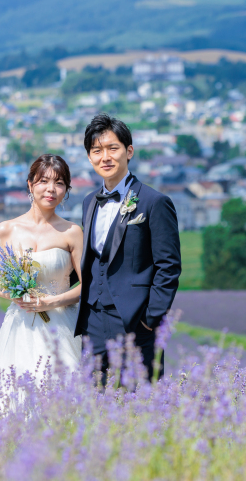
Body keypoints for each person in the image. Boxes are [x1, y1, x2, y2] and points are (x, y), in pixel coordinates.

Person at [75, 113, 181, 383]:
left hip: (135, 322)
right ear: (89, 157)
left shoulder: (154, 202)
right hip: (92, 322)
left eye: (113, 148)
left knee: (139, 403)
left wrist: (150, 318)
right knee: (94, 402)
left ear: (128, 151)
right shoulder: (88, 202)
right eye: (97, 150)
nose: (105, 157)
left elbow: (168, 266)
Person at [0, 154, 84, 394]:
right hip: (19, 325)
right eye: (43, 181)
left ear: (66, 189)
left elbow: (88, 286)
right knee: (10, 391)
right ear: (30, 184)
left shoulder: (72, 232)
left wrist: (50, 301)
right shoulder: (6, 229)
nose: (51, 189)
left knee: (64, 393)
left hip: (62, 325)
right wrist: (14, 294)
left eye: (59, 183)